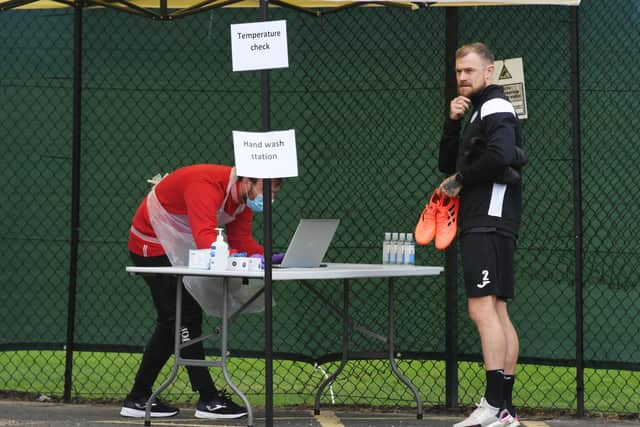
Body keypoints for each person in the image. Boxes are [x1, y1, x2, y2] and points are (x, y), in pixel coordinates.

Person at [121, 163, 282, 419]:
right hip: (150, 245)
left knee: (173, 321)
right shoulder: (206, 185)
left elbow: (242, 241)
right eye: (266, 190)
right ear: (247, 181)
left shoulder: (242, 199)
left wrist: (271, 258)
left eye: (274, 192)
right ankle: (207, 399)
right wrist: (243, 257)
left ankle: (138, 397)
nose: (269, 198)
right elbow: (206, 238)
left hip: (177, 244)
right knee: (182, 318)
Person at [438, 42, 524, 427]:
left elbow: (501, 156)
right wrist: (453, 122)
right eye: (458, 72)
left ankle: (493, 405)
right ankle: (504, 410)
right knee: (497, 311)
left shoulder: (496, 106)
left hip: (488, 220)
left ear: (489, 72)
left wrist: (460, 180)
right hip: (486, 221)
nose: (462, 78)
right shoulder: (476, 111)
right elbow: (446, 161)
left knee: (481, 309)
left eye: (469, 71)